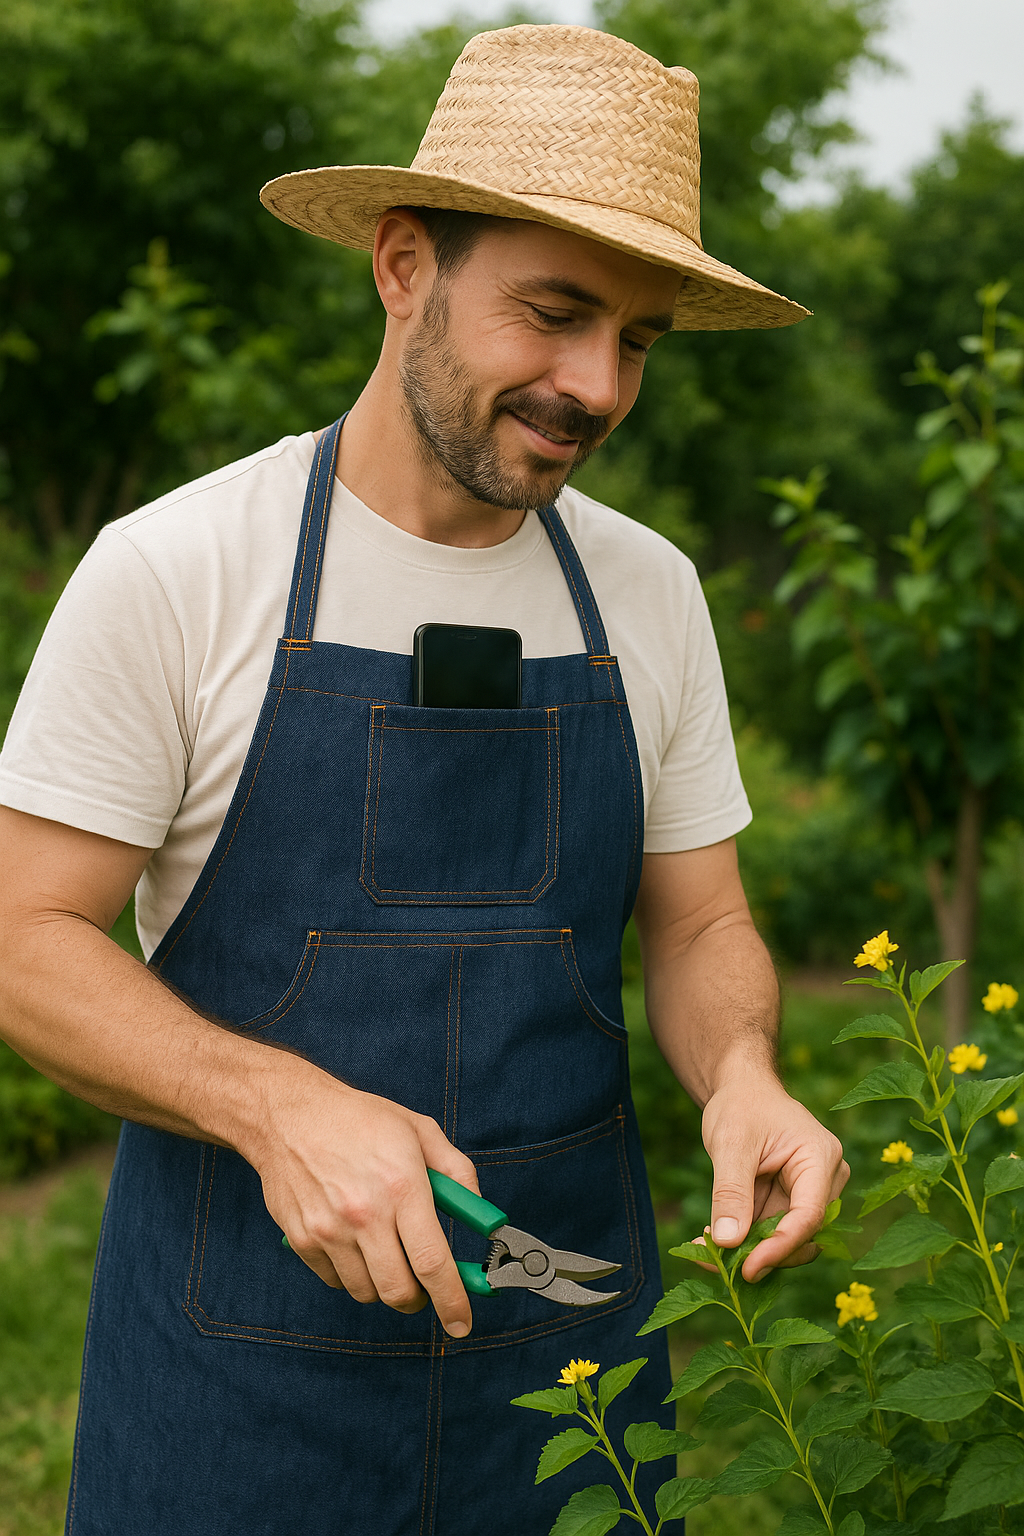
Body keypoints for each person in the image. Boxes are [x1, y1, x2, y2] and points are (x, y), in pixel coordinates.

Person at [0, 23, 847, 1536]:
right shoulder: (185, 569)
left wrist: (745, 1073)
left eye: (638, 338)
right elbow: (21, 938)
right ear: (402, 265)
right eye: (556, 312)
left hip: (569, 1380)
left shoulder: (649, 596)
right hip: (236, 1393)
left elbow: (701, 923)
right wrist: (271, 1105)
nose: (595, 385)